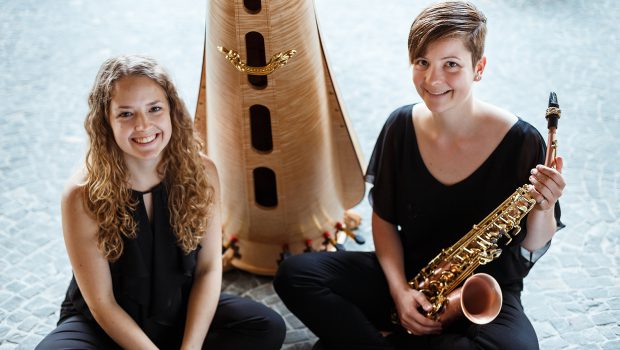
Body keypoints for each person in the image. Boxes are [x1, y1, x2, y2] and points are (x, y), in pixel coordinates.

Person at [274, 1, 565, 349]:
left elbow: (534, 245)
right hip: (411, 277)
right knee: (295, 275)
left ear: (479, 68)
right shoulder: (400, 126)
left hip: (487, 290)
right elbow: (383, 221)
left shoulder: (522, 141)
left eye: (452, 65)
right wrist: (400, 292)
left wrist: (545, 207)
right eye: (422, 62)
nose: (433, 79)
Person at [36, 55, 286, 350]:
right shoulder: (81, 193)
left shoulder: (202, 172)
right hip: (106, 326)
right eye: (126, 114)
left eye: (154, 109)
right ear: (106, 121)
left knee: (265, 327)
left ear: (171, 111)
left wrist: (190, 348)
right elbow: (102, 303)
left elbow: (208, 270)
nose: (143, 126)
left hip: (179, 309)